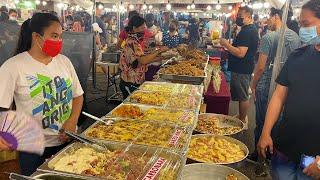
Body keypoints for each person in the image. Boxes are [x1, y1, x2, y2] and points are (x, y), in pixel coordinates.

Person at [0, 13, 84, 175]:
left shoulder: (64, 61)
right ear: (37, 37)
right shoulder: (13, 66)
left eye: (60, 36)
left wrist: (72, 121)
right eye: (54, 36)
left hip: (66, 141)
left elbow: (78, 95)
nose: (59, 41)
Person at [257, 0, 320, 179]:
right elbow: (279, 95)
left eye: (306, 24)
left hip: (313, 157)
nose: (302, 29)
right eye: (300, 24)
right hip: (285, 147)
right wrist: (265, 131)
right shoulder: (297, 55)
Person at [249, 7, 301, 164]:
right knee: (277, 123)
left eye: (269, 17)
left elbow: (260, 67)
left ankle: (259, 155)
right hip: (286, 89)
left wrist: (253, 85)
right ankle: (272, 154)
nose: (267, 21)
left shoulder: (268, 37)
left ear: (277, 16)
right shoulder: (296, 37)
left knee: (262, 123)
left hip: (266, 87)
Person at [220, 6, 259, 125]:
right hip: (241, 67)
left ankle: (242, 120)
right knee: (240, 93)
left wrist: (226, 45)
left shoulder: (248, 31)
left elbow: (241, 53)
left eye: (240, 16)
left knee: (243, 95)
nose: (238, 18)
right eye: (238, 16)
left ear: (248, 16)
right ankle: (241, 115)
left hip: (242, 68)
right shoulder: (248, 29)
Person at [119, 15, 168, 99]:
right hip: (130, 81)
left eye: (145, 28)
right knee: (131, 108)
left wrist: (162, 58)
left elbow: (140, 60)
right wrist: (159, 51)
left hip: (133, 80)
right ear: (134, 28)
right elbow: (143, 61)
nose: (144, 30)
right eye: (142, 28)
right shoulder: (132, 42)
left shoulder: (134, 40)